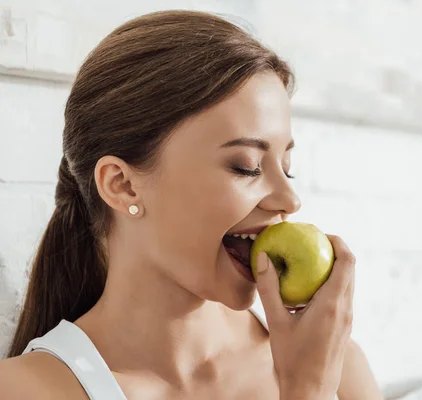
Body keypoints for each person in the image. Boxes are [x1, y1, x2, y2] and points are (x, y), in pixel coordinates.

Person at [0, 9, 383, 400]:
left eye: (287, 168)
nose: (290, 199)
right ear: (122, 185)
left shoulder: (334, 368)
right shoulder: (24, 390)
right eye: (246, 167)